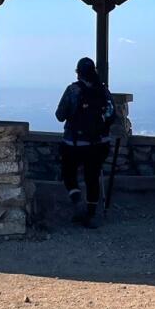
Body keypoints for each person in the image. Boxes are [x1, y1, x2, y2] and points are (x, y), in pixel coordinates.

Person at [54, 57, 115, 229]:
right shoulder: (103, 90)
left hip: (74, 143)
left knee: (68, 173)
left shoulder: (73, 90)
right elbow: (112, 115)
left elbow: (60, 115)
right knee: (92, 177)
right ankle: (91, 213)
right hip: (99, 143)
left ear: (78, 72)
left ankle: (76, 199)